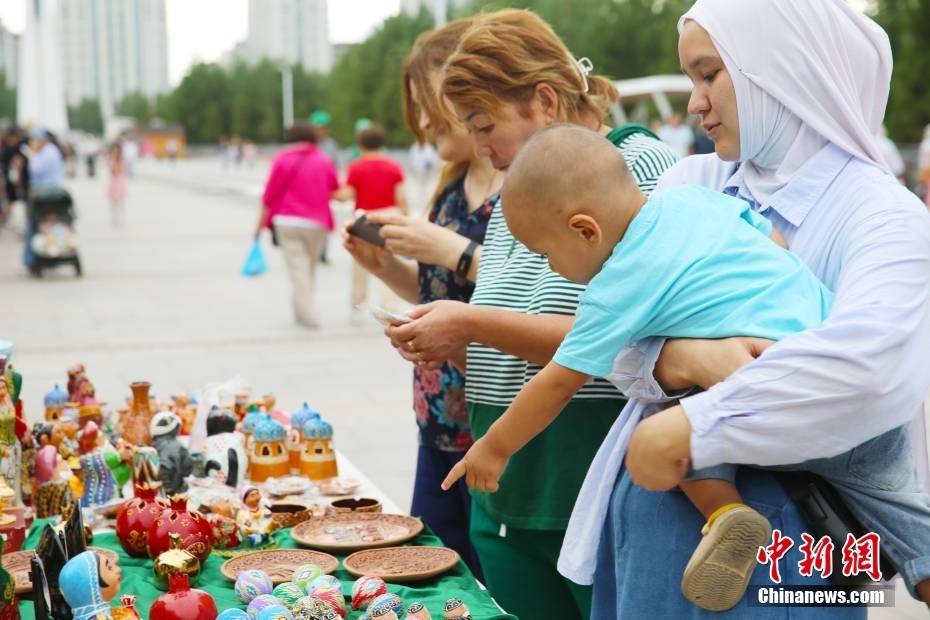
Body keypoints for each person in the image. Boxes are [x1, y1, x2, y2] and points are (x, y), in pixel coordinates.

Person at [447, 124, 930, 612]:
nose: (551, 268)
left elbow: (556, 383)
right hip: (836, 388)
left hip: (764, 406)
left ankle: (725, 513)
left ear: (584, 229)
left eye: (546, 255)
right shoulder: (699, 200)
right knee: (908, 522)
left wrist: (495, 448)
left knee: (672, 428)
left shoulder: (614, 288)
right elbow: (776, 241)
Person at [554, 1, 930, 617]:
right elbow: (610, 335)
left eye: (709, 75)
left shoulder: (881, 214)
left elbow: (867, 366)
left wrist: (696, 422)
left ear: (780, 69)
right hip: (659, 508)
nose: (695, 102)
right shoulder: (692, 183)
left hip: (792, 529)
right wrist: (684, 359)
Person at [383, 10, 677, 619]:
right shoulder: (516, 186)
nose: (482, 147)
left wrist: (468, 323)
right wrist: (443, 336)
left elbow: (620, 342)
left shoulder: (640, 169)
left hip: (587, 492)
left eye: (485, 124)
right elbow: (514, 339)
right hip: (508, 499)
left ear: (544, 100)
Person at [342, 17, 503, 578]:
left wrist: (449, 247)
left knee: (486, 584)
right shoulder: (452, 188)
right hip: (436, 421)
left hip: (496, 429)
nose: (425, 120)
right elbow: (439, 293)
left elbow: (531, 298)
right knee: (434, 574)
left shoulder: (522, 183)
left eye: (429, 102)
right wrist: (384, 265)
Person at [256, 122, 338, 328]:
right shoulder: (324, 160)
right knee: (307, 268)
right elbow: (335, 190)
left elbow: (269, 196)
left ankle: (307, 314)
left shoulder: (282, 159)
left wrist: (258, 227)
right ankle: (301, 311)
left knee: (298, 269)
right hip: (317, 223)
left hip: (288, 221)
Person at [338, 124, 408, 319]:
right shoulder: (393, 166)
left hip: (364, 219)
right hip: (389, 217)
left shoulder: (356, 167)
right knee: (389, 262)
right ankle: (390, 307)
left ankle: (357, 306)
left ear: (360, 144)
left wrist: (332, 193)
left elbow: (347, 195)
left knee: (360, 263)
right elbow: (401, 197)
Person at [25, 127, 65, 272]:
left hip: (42, 195)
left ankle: (33, 259)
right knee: (51, 224)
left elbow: (35, 170)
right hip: (52, 193)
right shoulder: (53, 151)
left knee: (35, 225)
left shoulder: (45, 153)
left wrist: (32, 156)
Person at [107, 144, 128, 226]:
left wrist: (117, 169)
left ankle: (121, 216)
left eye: (117, 151)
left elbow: (122, 169)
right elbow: (111, 170)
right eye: (114, 151)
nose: (115, 152)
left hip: (120, 181)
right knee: (112, 200)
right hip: (113, 181)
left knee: (120, 200)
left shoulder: (122, 159)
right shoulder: (110, 159)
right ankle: (114, 216)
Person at [918, 123, 930, 208]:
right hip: (927, 170)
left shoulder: (924, 143)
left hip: (925, 169)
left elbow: (921, 160)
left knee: (927, 191)